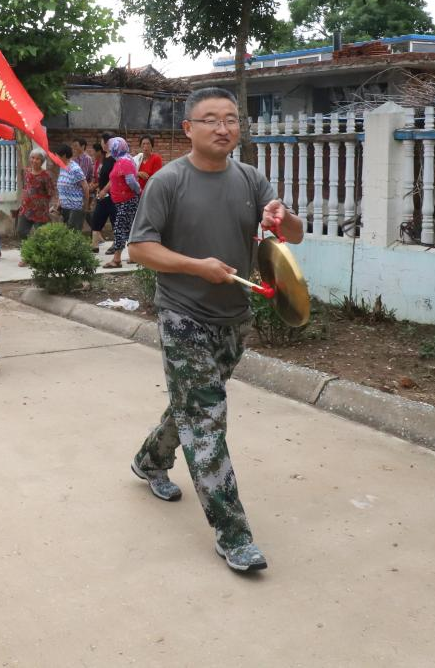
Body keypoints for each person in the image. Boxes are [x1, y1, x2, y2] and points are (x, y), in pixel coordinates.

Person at [126, 87, 303, 574]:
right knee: (206, 420)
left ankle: (150, 460)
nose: (222, 127)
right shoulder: (167, 181)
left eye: (230, 119)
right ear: (188, 128)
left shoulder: (250, 178)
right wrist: (194, 267)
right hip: (183, 312)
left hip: (234, 317)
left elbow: (295, 235)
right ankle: (234, 533)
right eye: (209, 119)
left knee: (193, 403)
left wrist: (281, 216)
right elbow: (139, 249)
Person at [101, 137, 142, 269]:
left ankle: (117, 259)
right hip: (122, 201)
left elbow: (130, 181)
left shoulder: (125, 161)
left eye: (112, 146)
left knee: (119, 227)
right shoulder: (120, 161)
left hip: (127, 201)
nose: (110, 148)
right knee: (129, 228)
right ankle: (135, 256)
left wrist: (138, 191)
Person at [16, 148, 56, 266]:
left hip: (40, 212)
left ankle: (41, 258)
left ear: (42, 161)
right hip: (26, 209)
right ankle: (26, 256)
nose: (34, 160)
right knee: (21, 232)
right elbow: (25, 188)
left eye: (38, 159)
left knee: (41, 235)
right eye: (33, 158)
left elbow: (50, 192)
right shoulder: (27, 172)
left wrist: (46, 205)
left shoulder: (46, 175)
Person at [89, 135, 116, 253]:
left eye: (101, 142)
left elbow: (114, 178)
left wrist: (105, 189)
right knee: (96, 218)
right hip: (102, 195)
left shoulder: (115, 158)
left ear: (107, 143)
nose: (101, 144)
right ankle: (94, 245)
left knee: (115, 220)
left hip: (112, 195)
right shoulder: (105, 158)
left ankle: (117, 244)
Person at [55, 144, 88, 233]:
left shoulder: (75, 169)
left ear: (64, 156)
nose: (55, 159)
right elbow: (62, 186)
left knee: (73, 234)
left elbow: (85, 186)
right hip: (65, 207)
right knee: (66, 234)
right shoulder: (62, 167)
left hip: (75, 207)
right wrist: (59, 202)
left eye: (57, 156)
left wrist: (85, 204)